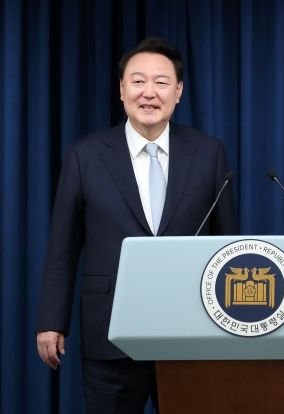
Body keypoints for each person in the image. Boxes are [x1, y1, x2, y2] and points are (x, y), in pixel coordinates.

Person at [35, 37, 238, 413]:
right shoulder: (85, 155)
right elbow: (63, 246)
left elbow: (228, 247)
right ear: (121, 89)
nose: (149, 92)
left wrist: (233, 324)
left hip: (190, 332)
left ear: (178, 92)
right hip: (110, 333)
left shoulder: (208, 153)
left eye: (161, 82)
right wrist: (51, 321)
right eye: (138, 81)